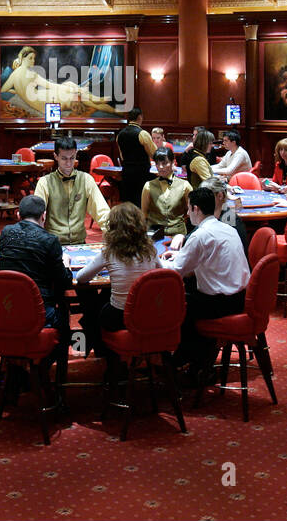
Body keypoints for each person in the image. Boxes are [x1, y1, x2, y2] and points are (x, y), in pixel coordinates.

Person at [161, 187, 250, 377]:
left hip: (220, 305)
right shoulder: (227, 228)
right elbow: (206, 255)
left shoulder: (199, 235)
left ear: (196, 209)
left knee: (176, 304)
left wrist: (154, 261)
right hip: (241, 299)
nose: (186, 214)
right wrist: (180, 255)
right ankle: (198, 362)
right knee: (191, 296)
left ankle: (180, 361)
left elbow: (176, 271)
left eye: (188, 209)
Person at [0, 194, 73, 346]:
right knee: (64, 313)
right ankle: (57, 362)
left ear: (18, 214)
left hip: (7, 307)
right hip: (39, 311)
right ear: (43, 216)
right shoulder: (50, 240)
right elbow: (64, 282)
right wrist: (66, 263)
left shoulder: (5, 233)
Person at [76, 202, 161, 334]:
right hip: (148, 315)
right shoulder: (151, 251)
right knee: (104, 296)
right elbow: (164, 273)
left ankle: (99, 346)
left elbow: (81, 278)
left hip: (118, 316)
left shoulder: (108, 253)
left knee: (91, 304)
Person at [33, 135, 110, 244]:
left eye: (72, 158)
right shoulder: (44, 182)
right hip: (52, 244)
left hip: (79, 242)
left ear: (76, 155)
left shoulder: (86, 179)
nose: (69, 163)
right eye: (64, 158)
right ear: (56, 156)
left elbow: (102, 211)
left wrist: (114, 233)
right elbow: (36, 215)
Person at [142, 147, 191, 235]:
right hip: (154, 234)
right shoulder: (148, 186)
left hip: (178, 234)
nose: (160, 167)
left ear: (173, 162)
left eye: (164, 163)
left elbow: (191, 213)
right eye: (157, 163)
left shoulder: (185, 185)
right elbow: (144, 214)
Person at [115, 107, 156, 205]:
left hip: (126, 173)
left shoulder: (119, 135)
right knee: (140, 202)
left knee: (128, 203)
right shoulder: (142, 134)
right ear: (140, 117)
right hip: (141, 174)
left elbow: (122, 157)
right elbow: (154, 154)